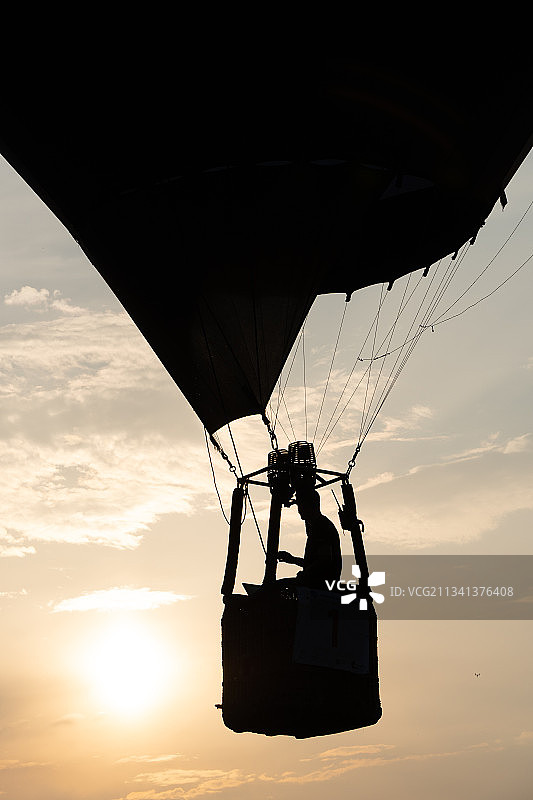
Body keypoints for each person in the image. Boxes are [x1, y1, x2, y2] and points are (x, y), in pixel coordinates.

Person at [277, 489, 342, 590]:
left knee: (277, 586)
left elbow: (324, 561)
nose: (299, 510)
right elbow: (314, 563)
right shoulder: (314, 525)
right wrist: (292, 559)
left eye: (302, 505)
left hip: (323, 585)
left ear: (312, 505)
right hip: (318, 581)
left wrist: (305, 574)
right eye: (299, 506)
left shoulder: (322, 526)